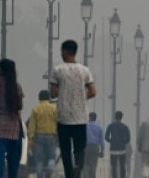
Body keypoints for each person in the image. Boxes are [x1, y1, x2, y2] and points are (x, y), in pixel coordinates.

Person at [49, 39, 97, 178]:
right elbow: (93, 91)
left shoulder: (57, 70)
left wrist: (63, 94)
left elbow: (52, 93)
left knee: (65, 150)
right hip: (80, 117)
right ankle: (78, 166)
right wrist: (81, 98)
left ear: (65, 51)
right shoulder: (85, 70)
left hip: (63, 117)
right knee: (79, 149)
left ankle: (69, 174)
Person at [0, 59, 25, 178]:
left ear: (0, 70)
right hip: (14, 129)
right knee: (13, 163)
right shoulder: (16, 87)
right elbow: (20, 106)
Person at [28, 89, 58, 178]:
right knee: (52, 157)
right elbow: (58, 123)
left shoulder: (35, 109)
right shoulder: (54, 108)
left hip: (38, 137)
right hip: (51, 136)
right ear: (49, 98)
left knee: (39, 160)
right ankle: (49, 171)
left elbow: (32, 126)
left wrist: (30, 138)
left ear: (39, 98)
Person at [106, 111, 131, 178]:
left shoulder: (110, 126)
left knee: (114, 166)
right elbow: (128, 139)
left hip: (113, 149)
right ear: (121, 117)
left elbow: (106, 137)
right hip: (122, 149)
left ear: (115, 117)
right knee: (122, 166)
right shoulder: (125, 127)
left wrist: (111, 141)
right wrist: (123, 142)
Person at [85, 112, 105, 178]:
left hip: (86, 147)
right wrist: (102, 150)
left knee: (85, 164)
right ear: (95, 118)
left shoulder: (85, 126)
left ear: (89, 117)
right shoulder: (99, 127)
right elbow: (101, 140)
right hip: (95, 148)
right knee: (93, 165)